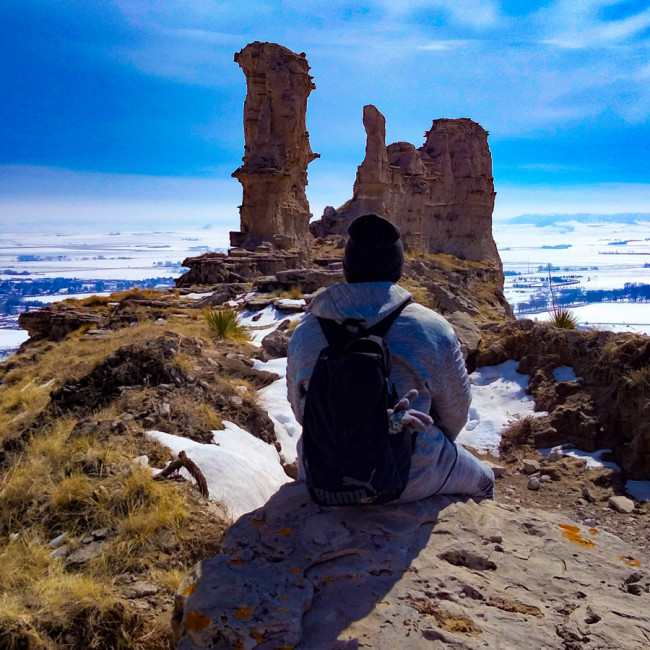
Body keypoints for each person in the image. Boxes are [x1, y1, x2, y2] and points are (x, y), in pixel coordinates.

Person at [286, 213, 494, 502]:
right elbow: (455, 415)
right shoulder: (432, 328)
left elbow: (301, 412)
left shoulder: (304, 333)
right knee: (486, 480)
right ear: (398, 269)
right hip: (411, 476)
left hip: (322, 473)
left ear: (346, 268)